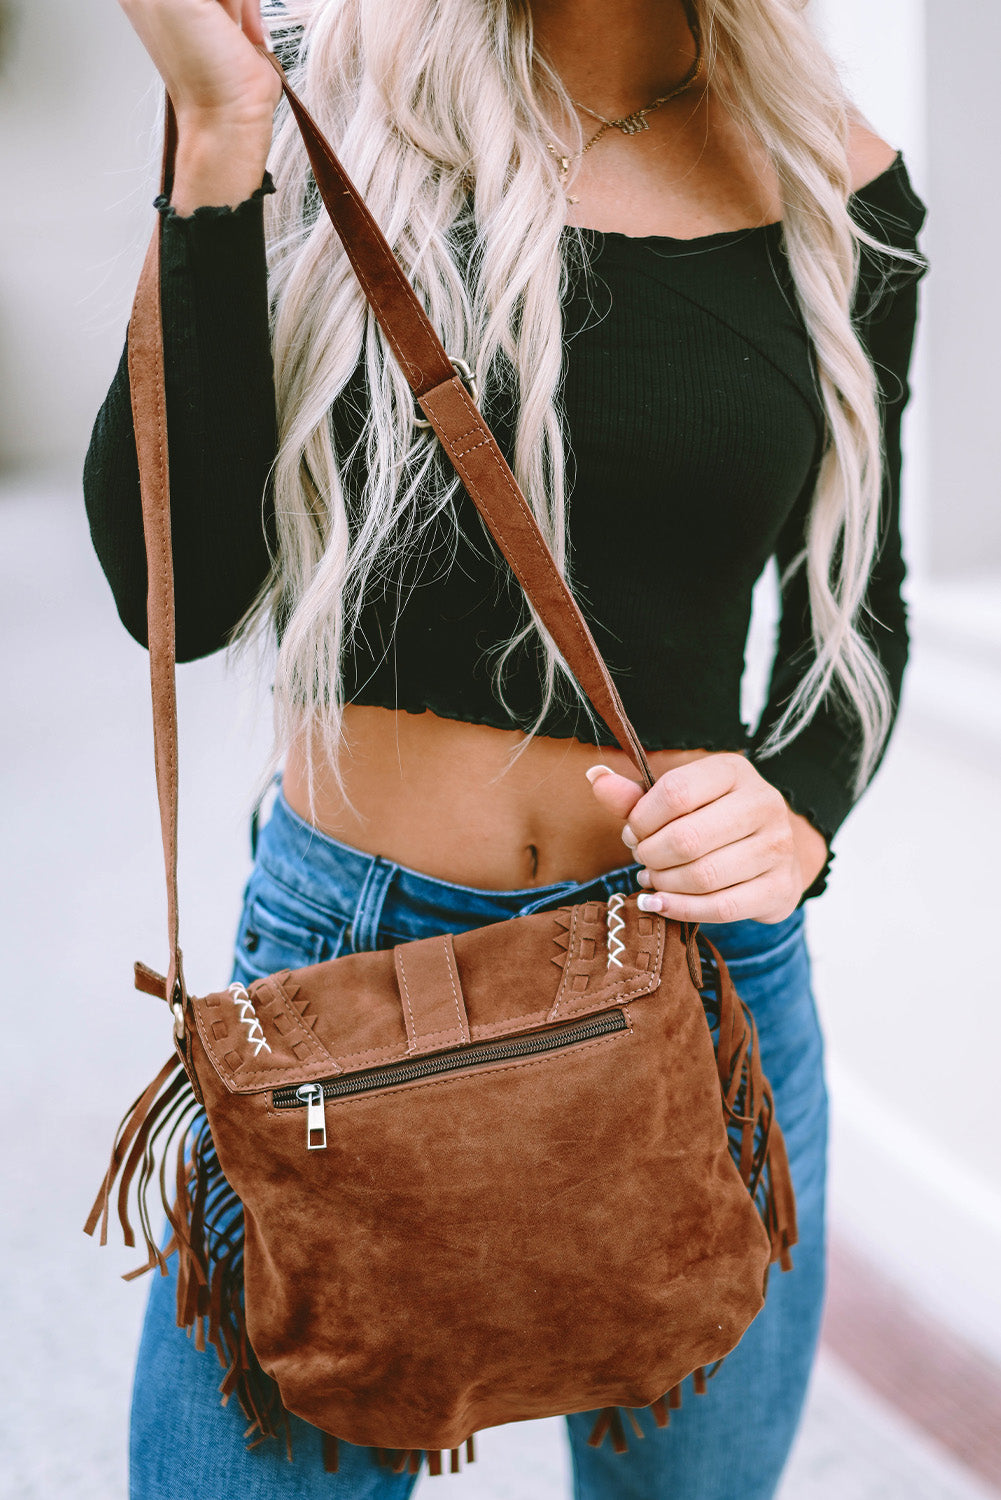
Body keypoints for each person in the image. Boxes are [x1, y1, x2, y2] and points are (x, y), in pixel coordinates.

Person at [83, 0, 927, 1496]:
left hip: (694, 994)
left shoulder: (830, 181)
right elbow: (177, 592)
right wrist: (219, 136)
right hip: (351, 969)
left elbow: (858, 614)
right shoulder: (314, 100)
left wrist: (795, 816)